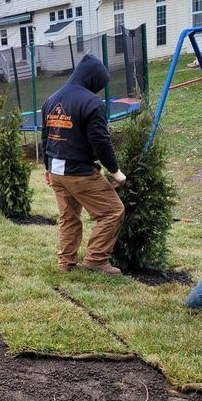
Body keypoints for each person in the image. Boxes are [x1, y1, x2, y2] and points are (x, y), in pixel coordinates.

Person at [41, 54, 127, 275]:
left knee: (68, 217)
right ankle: (97, 260)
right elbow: (100, 141)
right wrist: (115, 171)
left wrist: (47, 169)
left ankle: (66, 263)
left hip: (57, 171)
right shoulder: (92, 103)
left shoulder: (51, 100)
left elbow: (46, 137)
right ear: (92, 79)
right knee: (112, 212)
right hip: (79, 172)